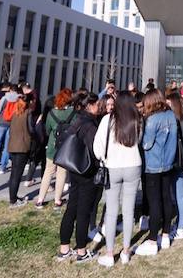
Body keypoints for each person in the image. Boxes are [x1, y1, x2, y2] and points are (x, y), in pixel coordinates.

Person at [94, 92, 142, 268]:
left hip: (112, 166)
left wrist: (102, 158)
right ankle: (126, 251)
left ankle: (109, 252)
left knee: (111, 210)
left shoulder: (108, 120)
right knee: (129, 210)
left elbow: (97, 145)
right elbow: (140, 140)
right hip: (133, 166)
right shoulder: (137, 120)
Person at [57, 92, 102, 264]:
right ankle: (81, 251)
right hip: (87, 171)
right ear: (89, 105)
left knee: (72, 208)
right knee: (83, 212)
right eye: (97, 104)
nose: (99, 107)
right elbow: (94, 150)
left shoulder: (76, 120)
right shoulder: (90, 125)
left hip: (74, 170)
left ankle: (64, 248)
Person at [135, 89, 177, 257]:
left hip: (153, 164)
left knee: (154, 202)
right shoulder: (170, 116)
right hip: (168, 163)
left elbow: (146, 144)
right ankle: (165, 234)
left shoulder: (152, 120)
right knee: (166, 197)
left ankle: (152, 240)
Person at [35, 88, 76, 209]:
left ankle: (40, 199)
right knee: (61, 173)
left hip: (53, 146)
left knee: (48, 172)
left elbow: (47, 130)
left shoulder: (51, 113)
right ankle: (57, 200)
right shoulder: (73, 113)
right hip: (66, 147)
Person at [166, 90, 183, 240]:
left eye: (169, 103)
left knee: (177, 193)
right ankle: (180, 224)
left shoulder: (177, 121)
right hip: (181, 160)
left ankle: (181, 226)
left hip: (175, 159)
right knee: (178, 193)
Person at [7, 93, 33, 208]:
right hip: (22, 146)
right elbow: (31, 129)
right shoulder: (28, 113)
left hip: (12, 145)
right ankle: (13, 200)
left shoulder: (14, 113)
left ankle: (13, 197)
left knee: (14, 174)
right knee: (17, 174)